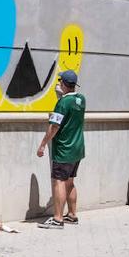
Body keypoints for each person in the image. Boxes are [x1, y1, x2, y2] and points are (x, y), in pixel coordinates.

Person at [36, 69, 86, 229]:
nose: (57, 84)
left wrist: (43, 144)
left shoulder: (62, 103)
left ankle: (58, 219)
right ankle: (72, 215)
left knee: (59, 182)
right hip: (78, 149)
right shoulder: (81, 99)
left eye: (59, 82)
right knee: (70, 182)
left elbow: (54, 126)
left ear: (64, 84)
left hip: (64, 149)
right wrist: (62, 98)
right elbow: (71, 112)